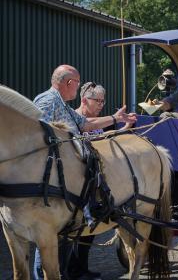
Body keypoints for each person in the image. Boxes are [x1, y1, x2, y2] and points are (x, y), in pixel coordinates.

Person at [32, 65, 136, 280]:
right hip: (54, 184)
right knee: (49, 239)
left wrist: (116, 119)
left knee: (60, 240)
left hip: (68, 180)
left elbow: (86, 124)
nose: (79, 87)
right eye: (78, 83)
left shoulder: (61, 103)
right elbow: (38, 137)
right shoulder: (47, 101)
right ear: (69, 83)